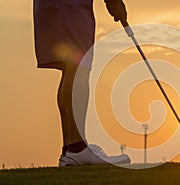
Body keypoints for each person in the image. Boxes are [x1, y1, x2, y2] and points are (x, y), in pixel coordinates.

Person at [33, 0, 130, 166]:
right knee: (78, 67)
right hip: (70, 5)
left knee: (70, 68)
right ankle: (77, 149)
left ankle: (70, 150)